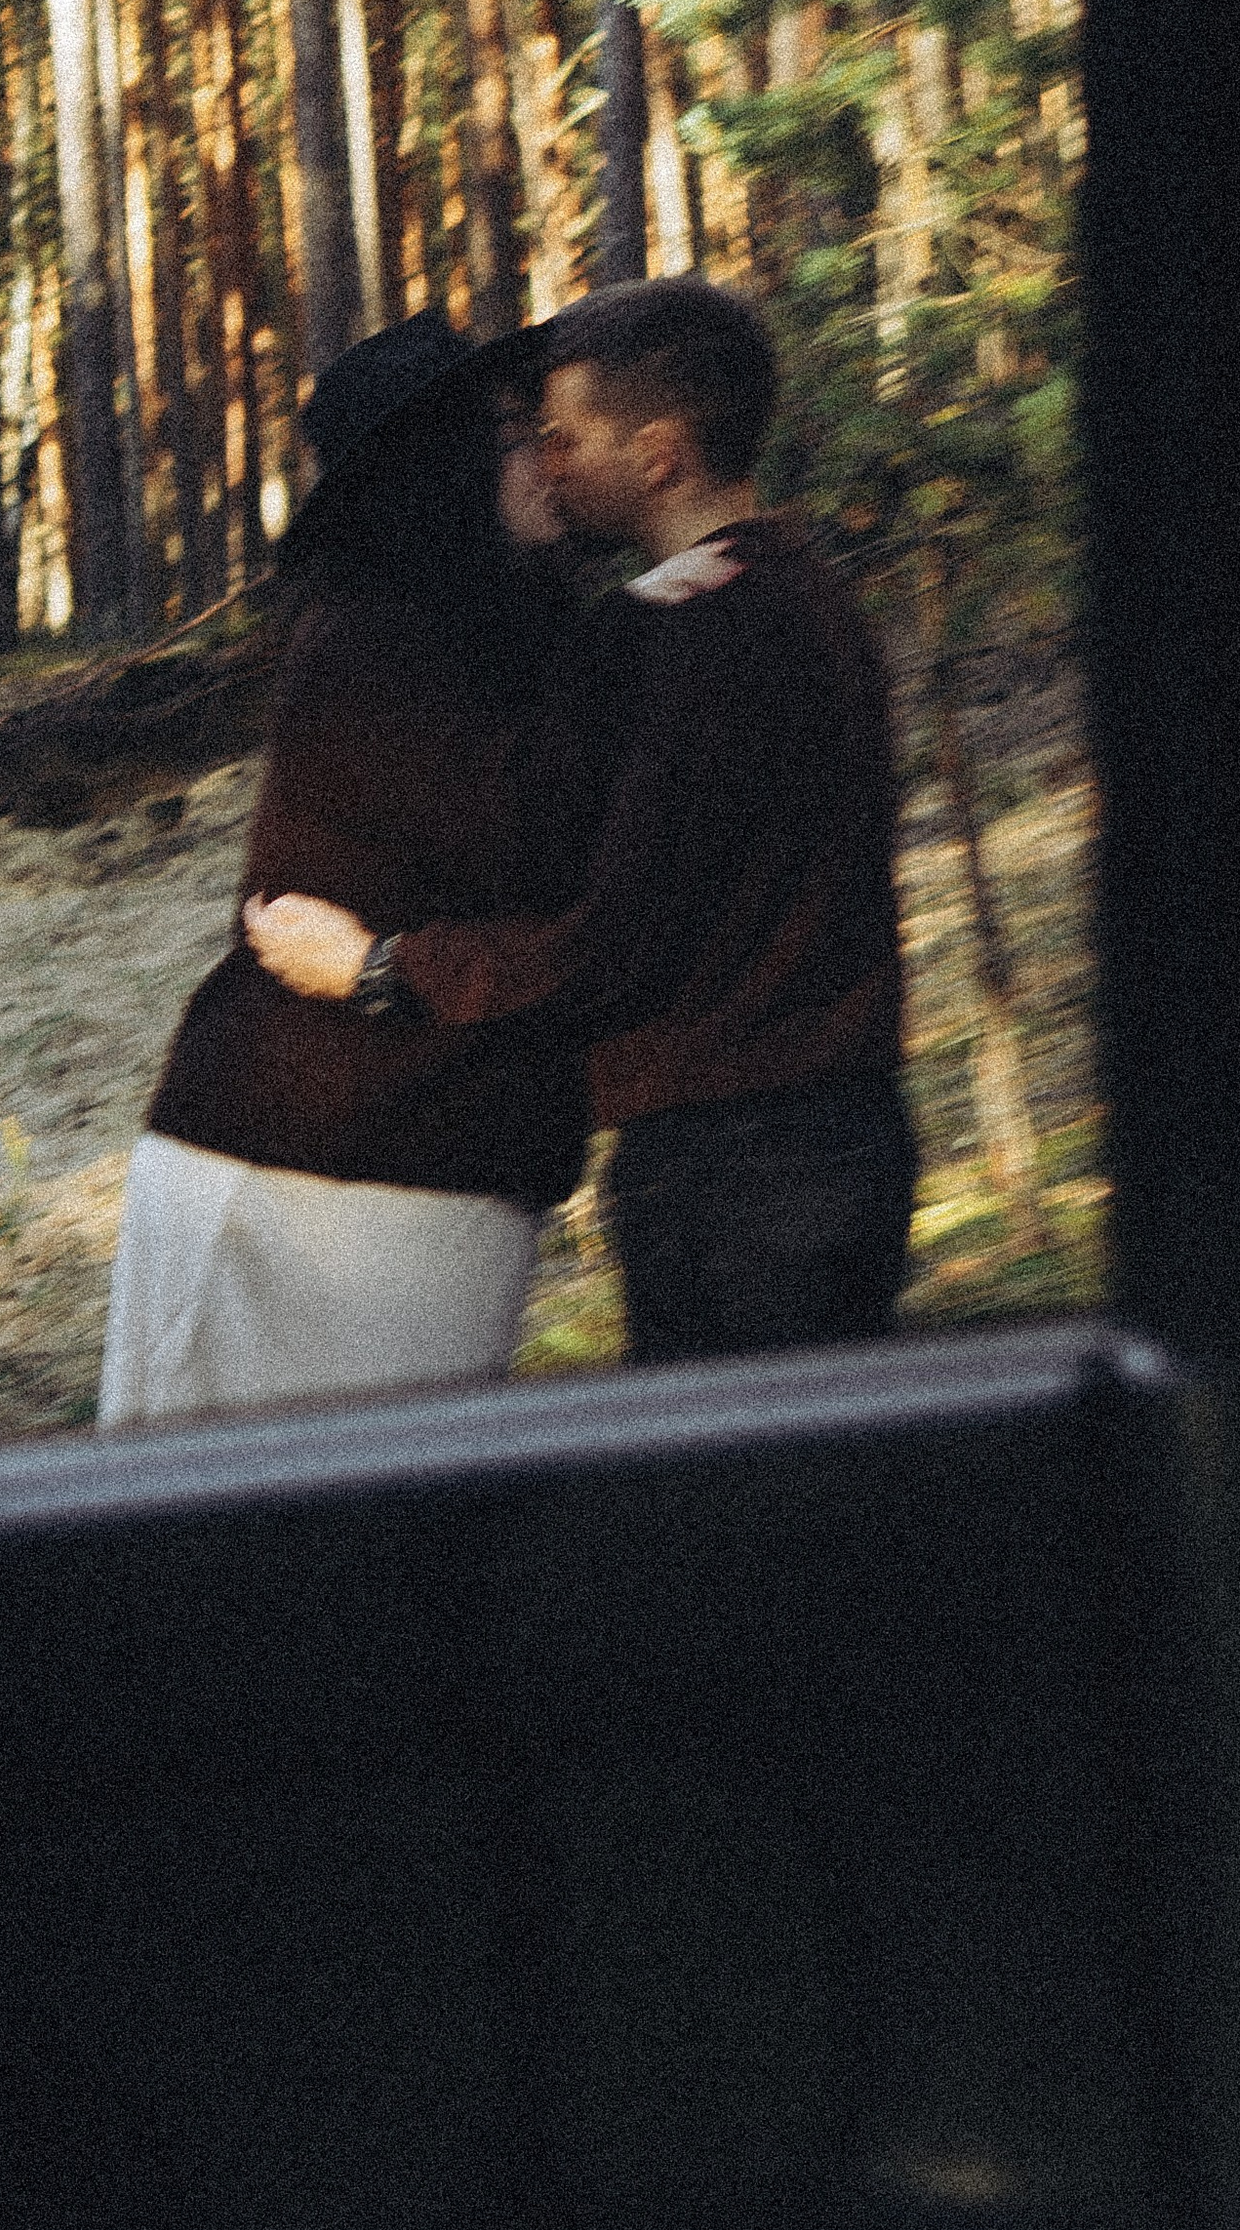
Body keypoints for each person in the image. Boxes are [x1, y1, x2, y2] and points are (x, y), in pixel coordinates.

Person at [246, 276, 915, 1362]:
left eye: (562, 439)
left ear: (656, 455)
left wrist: (377, 967)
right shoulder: (806, 595)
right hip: (834, 1136)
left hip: (733, 1165)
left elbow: (613, 944)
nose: (546, 465)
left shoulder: (676, 637)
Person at [95, 310, 587, 1428]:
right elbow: (563, 893)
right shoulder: (380, 648)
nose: (550, 453)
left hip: (428, 1170)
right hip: (303, 1180)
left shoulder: (510, 638)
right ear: (449, 464)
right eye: (519, 428)